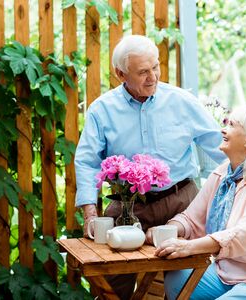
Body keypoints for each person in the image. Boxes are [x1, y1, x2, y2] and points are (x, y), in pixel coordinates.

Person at [74, 34, 226, 299]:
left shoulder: (181, 101)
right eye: (143, 72)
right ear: (120, 73)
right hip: (127, 205)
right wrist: (90, 213)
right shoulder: (102, 110)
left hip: (182, 203)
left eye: (155, 67)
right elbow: (87, 161)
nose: (153, 77)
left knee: (185, 284)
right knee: (110, 282)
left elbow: (220, 147)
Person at [146, 105, 246, 300]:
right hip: (229, 274)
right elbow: (191, 218)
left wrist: (188, 247)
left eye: (231, 125)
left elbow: (243, 235)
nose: (223, 129)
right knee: (176, 279)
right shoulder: (223, 173)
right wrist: (168, 230)